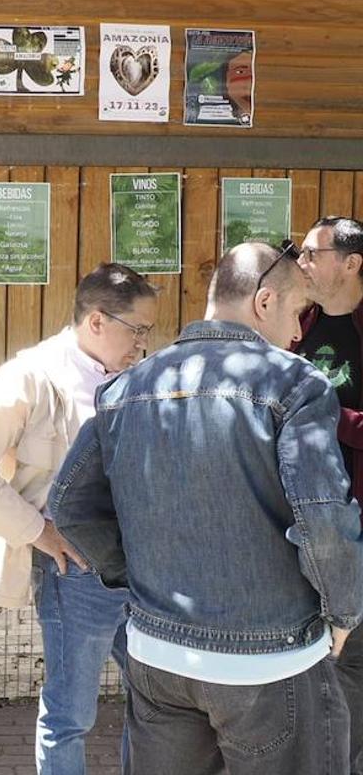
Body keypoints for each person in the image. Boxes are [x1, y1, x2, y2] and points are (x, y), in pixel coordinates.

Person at [50, 242, 363, 775]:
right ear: (264, 302)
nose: (297, 335)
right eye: (295, 314)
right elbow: (323, 517)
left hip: (158, 657)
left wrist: (138, 576)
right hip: (270, 660)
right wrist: (344, 610)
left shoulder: (125, 388)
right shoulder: (294, 383)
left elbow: (69, 506)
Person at [0, 263, 158, 775]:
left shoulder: (138, 372)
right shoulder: (32, 374)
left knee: (157, 705)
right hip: (77, 571)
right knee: (70, 714)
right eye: (138, 329)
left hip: (144, 567)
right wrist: (36, 531)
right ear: (97, 321)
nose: (145, 342)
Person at [297, 216, 363, 773]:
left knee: (353, 653)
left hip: (356, 511)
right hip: (301, 510)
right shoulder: (302, 321)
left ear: (350, 262)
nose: (304, 263)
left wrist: (328, 416)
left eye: (314, 253)